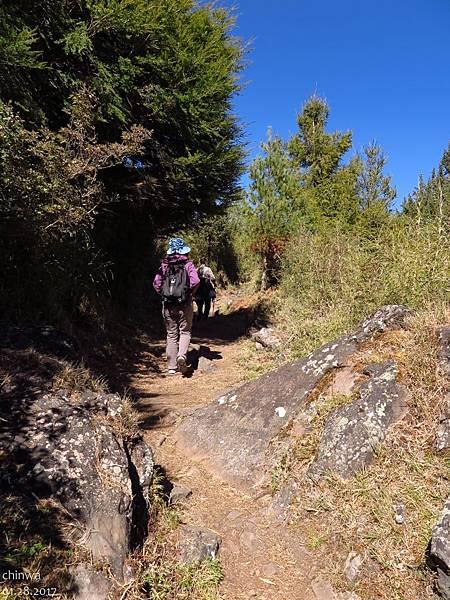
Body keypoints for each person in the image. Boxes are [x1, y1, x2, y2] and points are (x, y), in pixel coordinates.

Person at [153, 238, 199, 374]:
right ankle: (182, 356)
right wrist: (189, 293)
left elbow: (156, 284)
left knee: (171, 334)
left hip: (168, 305)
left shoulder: (164, 265)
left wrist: (164, 295)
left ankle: (172, 367)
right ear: (184, 251)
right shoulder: (188, 264)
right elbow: (195, 281)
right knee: (185, 331)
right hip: (185, 303)